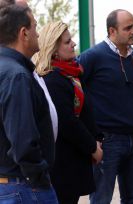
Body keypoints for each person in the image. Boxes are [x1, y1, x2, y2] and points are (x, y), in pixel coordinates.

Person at [78, 9, 133, 204]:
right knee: (101, 200)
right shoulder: (92, 56)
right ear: (112, 31)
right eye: (128, 28)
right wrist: (89, 133)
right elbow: (73, 90)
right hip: (107, 141)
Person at [32, 21, 104, 204]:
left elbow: (86, 112)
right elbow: (67, 122)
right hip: (63, 164)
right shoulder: (53, 79)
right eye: (67, 41)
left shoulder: (70, 74)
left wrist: (97, 138)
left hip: (74, 159)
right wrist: (92, 147)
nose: (73, 44)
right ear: (54, 49)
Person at [0, 4, 58, 203]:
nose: (38, 33)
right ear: (23, 33)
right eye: (35, 26)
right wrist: (40, 178)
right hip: (23, 186)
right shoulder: (17, 76)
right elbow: (23, 141)